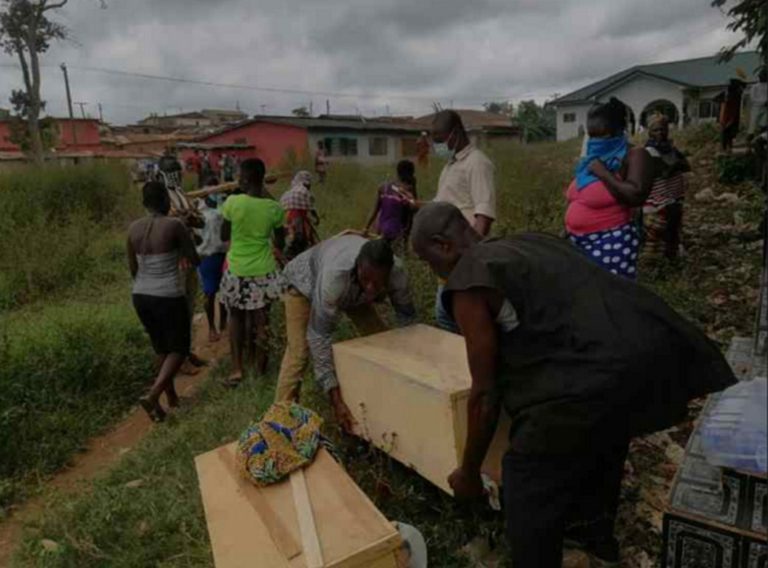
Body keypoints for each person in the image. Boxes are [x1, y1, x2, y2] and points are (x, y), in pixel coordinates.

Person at [410, 202, 736, 568]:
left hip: (592, 375)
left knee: (525, 479)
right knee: (603, 442)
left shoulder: (468, 278)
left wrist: (469, 473)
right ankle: (595, 542)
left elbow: (484, 395)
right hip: (644, 352)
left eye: (426, 261)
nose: (432, 270)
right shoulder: (529, 242)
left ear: (442, 245)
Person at [275, 236, 416, 432]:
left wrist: (413, 368)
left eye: (378, 283)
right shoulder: (335, 278)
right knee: (299, 352)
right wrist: (336, 400)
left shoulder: (397, 273)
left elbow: (407, 321)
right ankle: (278, 422)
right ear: (357, 268)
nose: (371, 288)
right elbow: (319, 337)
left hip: (352, 292)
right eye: (367, 280)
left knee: (381, 340)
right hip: (304, 285)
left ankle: (384, 398)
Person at [127, 182, 201, 422]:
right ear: (167, 202)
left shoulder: (133, 229)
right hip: (168, 293)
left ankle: (172, 400)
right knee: (179, 348)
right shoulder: (174, 225)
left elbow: (133, 268)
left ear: (143, 203)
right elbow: (194, 259)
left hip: (140, 295)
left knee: (161, 347)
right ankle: (153, 395)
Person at [565, 97, 655, 280]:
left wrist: (604, 173)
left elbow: (636, 195)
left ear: (619, 130)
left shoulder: (635, 155)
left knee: (607, 299)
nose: (596, 140)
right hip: (577, 240)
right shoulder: (590, 160)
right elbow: (578, 199)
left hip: (611, 241)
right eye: (592, 135)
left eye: (602, 135)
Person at [219, 158, 286, 385]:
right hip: (264, 271)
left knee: (235, 317)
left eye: (239, 176)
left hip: (237, 269)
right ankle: (260, 369)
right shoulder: (274, 208)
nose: (237, 179)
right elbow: (281, 242)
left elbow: (223, 236)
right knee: (262, 320)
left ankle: (237, 369)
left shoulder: (232, 202)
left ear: (245, 179)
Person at [431, 110, 496, 332]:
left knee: (460, 318)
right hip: (447, 259)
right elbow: (444, 204)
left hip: (462, 259)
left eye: (440, 140)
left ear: (456, 133)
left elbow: (483, 216)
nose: (437, 145)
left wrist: (470, 256)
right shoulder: (450, 165)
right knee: (445, 315)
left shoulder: (477, 163)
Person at [157, 152, 208, 373]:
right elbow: (171, 222)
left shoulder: (181, 194)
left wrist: (188, 217)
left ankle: (186, 351)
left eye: (176, 172)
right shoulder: (160, 197)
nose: (175, 176)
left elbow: (198, 219)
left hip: (188, 257)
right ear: (161, 175)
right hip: (173, 261)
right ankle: (178, 359)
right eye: (170, 173)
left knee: (189, 307)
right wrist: (186, 217)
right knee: (177, 311)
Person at [643, 114, 691, 261]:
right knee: (661, 229)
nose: (661, 133)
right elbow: (664, 173)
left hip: (674, 195)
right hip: (659, 199)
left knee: (674, 226)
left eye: (663, 129)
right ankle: (660, 260)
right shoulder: (649, 151)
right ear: (650, 132)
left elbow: (686, 166)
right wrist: (676, 166)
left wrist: (676, 166)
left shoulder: (671, 148)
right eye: (656, 130)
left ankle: (672, 256)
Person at [363, 160, 418, 251]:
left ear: (397, 172)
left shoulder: (383, 187)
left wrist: (365, 228)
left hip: (382, 229)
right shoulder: (407, 190)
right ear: (412, 173)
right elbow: (414, 208)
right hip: (399, 232)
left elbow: (374, 211)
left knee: (380, 253)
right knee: (398, 257)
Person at [196, 193, 228, 342]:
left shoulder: (199, 214)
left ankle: (218, 325)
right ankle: (216, 326)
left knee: (216, 292)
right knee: (213, 292)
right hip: (210, 256)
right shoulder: (210, 214)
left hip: (216, 256)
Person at [280, 170, 320, 260]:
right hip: (298, 217)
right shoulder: (304, 191)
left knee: (294, 234)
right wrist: (316, 218)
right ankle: (291, 253)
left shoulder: (290, 191)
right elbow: (311, 208)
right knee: (300, 236)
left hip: (289, 216)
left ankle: (294, 252)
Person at [719, 79, 746, 153]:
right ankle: (726, 148)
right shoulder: (730, 95)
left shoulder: (734, 96)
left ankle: (727, 148)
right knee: (726, 134)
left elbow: (732, 110)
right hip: (727, 118)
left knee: (728, 134)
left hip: (730, 118)